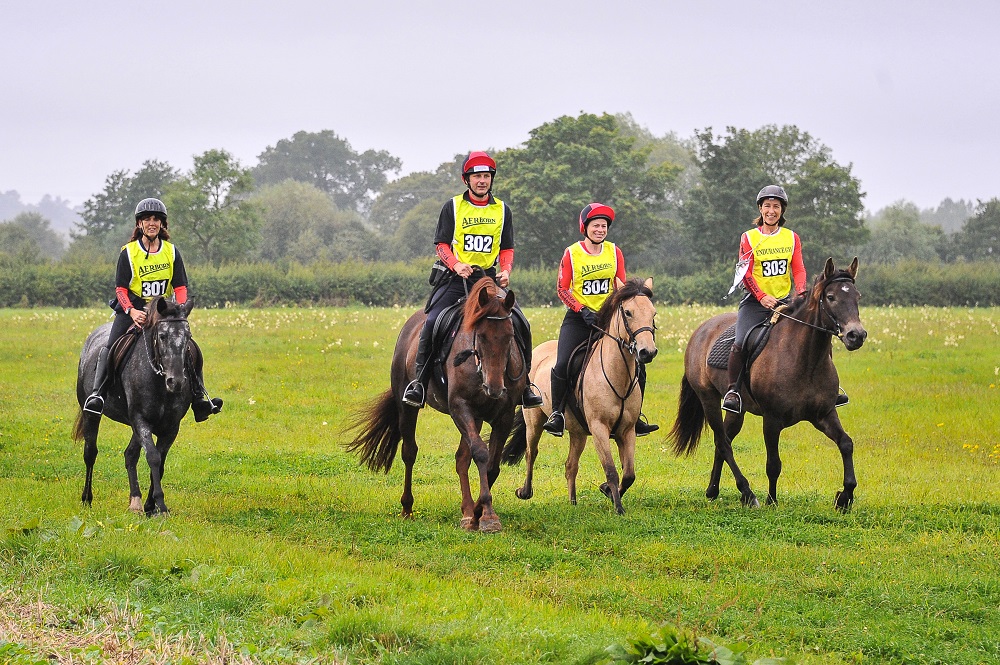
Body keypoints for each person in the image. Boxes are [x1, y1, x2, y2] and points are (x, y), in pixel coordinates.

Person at [401, 151, 543, 409]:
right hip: (456, 279)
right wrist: (456, 264)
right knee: (432, 322)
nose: (482, 181)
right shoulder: (453, 206)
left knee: (522, 324)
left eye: (486, 176)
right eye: (477, 176)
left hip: (489, 280)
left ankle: (526, 386)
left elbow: (507, 247)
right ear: (466, 179)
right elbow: (442, 245)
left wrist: (506, 269)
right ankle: (419, 384)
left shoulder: (502, 209)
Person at [82, 198, 223, 421]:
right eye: (147, 219)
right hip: (134, 308)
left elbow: (181, 286)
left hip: (164, 310)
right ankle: (97, 395)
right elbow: (120, 289)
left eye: (156, 219)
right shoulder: (128, 253)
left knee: (190, 347)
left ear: (162, 224)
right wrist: (130, 311)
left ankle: (199, 398)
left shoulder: (172, 251)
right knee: (110, 347)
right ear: (139, 224)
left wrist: (180, 310)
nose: (152, 223)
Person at [721, 185, 849, 413]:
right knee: (740, 341)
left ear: (782, 210)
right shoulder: (748, 238)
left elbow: (798, 268)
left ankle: (831, 388)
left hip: (786, 301)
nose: (772, 211)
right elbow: (746, 273)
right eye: (767, 206)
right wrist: (761, 297)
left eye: (776, 207)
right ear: (760, 209)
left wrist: (800, 293)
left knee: (818, 332)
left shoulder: (791, 237)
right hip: (755, 302)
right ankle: (734, 391)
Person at [542, 203, 658, 437]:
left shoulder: (614, 252)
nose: (600, 229)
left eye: (604, 226)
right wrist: (581, 309)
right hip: (578, 319)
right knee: (563, 363)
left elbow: (621, 286)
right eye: (595, 225)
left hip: (609, 320)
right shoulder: (572, 253)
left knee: (637, 363)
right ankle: (557, 414)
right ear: (585, 227)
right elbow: (562, 289)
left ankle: (637, 416)